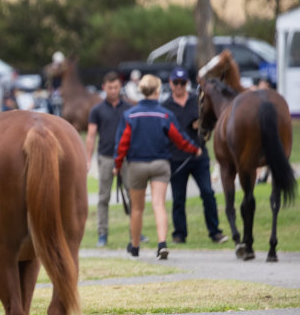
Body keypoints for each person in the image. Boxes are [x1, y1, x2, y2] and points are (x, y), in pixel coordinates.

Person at [114, 74, 201, 260]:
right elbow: (179, 138)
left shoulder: (130, 115)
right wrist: (194, 149)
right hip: (161, 164)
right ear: (158, 90)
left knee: (137, 208)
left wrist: (117, 164)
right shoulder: (165, 114)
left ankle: (135, 246)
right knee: (159, 204)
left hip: (137, 164)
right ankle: (162, 243)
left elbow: (122, 143)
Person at [161, 67, 228, 245]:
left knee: (208, 193)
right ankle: (179, 234)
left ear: (187, 84)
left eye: (183, 83)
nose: (179, 86)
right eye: (176, 83)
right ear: (170, 83)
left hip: (199, 156)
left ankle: (215, 232)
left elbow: (211, 121)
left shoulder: (196, 101)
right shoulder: (165, 106)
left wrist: (201, 125)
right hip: (176, 158)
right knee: (178, 199)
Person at [85, 72, 132, 247]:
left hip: (126, 157)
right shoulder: (97, 110)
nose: (113, 90)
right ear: (104, 88)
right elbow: (90, 136)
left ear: (120, 87)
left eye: (116, 87)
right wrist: (88, 159)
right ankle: (102, 233)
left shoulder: (128, 108)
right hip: (105, 157)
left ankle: (136, 232)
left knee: (132, 194)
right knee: (103, 197)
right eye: (109, 87)